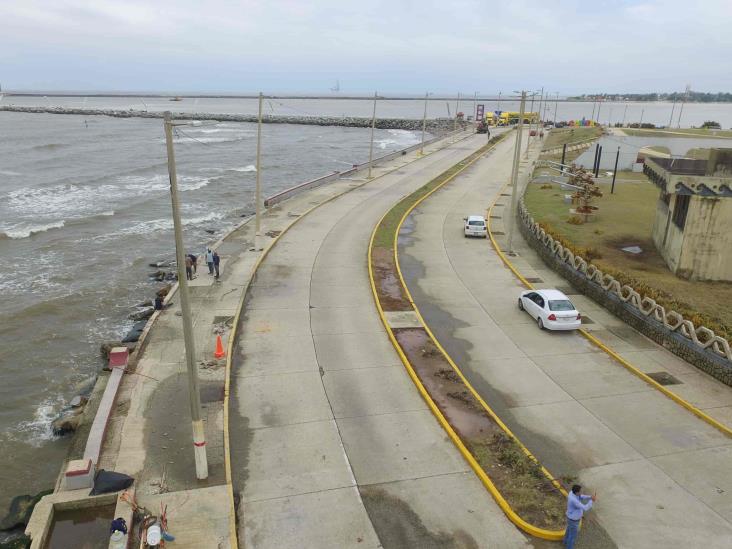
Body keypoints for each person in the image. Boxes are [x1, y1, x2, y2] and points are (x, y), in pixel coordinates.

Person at [564, 484, 596, 549]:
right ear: (577, 492)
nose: (582, 492)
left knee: (568, 531)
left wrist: (590, 497)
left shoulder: (572, 492)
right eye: (580, 491)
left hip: (570, 518)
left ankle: (565, 542)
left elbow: (581, 496)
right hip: (574, 520)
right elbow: (585, 508)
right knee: (572, 537)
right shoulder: (574, 501)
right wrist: (592, 500)